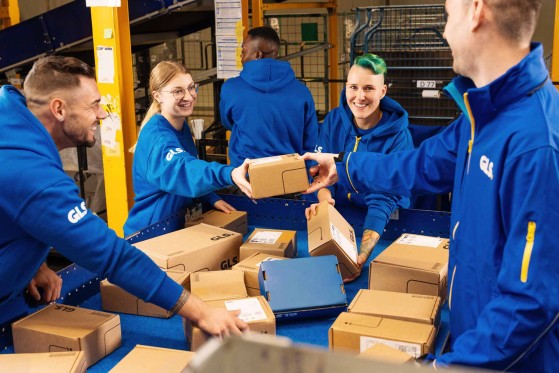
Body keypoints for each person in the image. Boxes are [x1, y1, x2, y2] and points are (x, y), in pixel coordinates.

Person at [303, 0, 558, 371]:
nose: (444, 31)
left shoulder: (538, 144)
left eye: (447, 15)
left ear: (476, 11)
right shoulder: (482, 115)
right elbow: (419, 164)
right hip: (469, 333)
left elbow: (532, 302)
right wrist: (344, 166)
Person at [0, 55, 248, 337]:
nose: (103, 114)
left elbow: (13, 207)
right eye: (94, 105)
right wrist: (202, 312)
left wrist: (35, 263)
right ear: (59, 109)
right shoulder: (32, 174)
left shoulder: (12, 120)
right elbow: (111, 256)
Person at [305, 54, 413, 282]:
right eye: (353, 87)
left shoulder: (399, 137)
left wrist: (361, 255)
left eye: (369, 88)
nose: (360, 97)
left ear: (383, 91)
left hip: (383, 222)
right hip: (341, 214)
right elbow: (319, 171)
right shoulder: (334, 120)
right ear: (346, 88)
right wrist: (324, 200)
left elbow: (384, 197)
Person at [124, 61, 252, 236]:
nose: (189, 96)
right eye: (178, 91)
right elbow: (183, 170)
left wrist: (210, 197)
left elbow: (192, 168)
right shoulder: (158, 137)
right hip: (150, 234)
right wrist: (228, 174)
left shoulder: (180, 127)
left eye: (191, 87)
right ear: (157, 96)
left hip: (174, 226)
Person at [219, 26, 318, 168]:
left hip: (245, 176)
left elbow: (228, 122)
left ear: (257, 55)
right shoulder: (302, 92)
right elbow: (310, 140)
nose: (241, 58)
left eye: (243, 52)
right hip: (290, 175)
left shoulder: (231, 88)